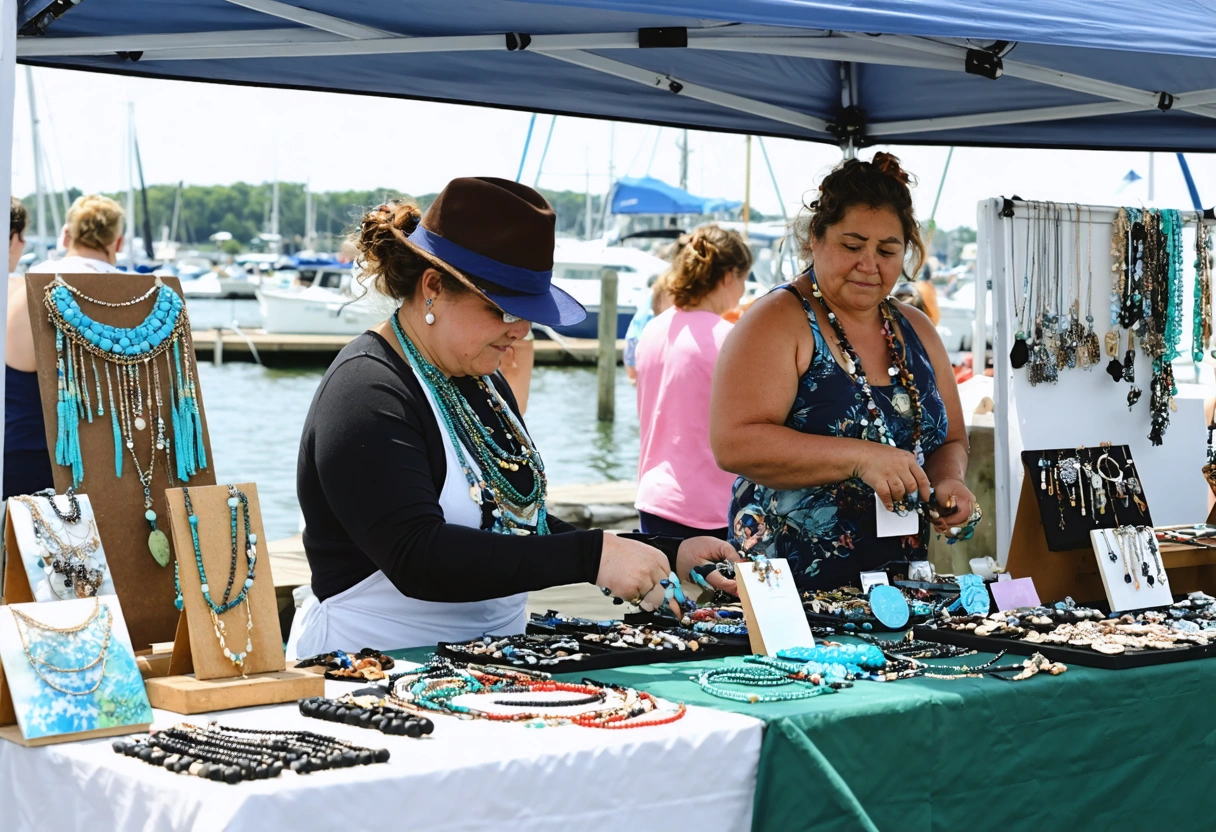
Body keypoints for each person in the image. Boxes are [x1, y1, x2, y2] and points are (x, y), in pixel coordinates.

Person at [289, 177, 738, 655]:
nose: (521, 330)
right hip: (370, 666)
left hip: (488, 660)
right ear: (433, 287)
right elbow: (418, 557)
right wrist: (592, 557)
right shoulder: (365, 390)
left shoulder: (479, 376)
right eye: (503, 310)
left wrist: (668, 551)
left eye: (527, 313)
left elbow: (521, 524)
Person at [711, 154, 977, 590]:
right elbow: (734, 443)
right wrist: (860, 457)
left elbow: (950, 439)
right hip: (788, 587)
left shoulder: (917, 328)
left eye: (887, 251)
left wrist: (949, 482)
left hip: (898, 587)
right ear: (816, 237)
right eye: (853, 247)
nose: (870, 264)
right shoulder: (776, 320)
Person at [634, 224, 751, 539]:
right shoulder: (728, 339)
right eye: (744, 278)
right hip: (709, 508)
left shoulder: (652, 329)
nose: (743, 289)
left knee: (666, 589)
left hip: (654, 496)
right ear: (728, 277)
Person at [4, 194, 125, 498]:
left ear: (66, 235)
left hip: (17, 448)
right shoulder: (132, 294)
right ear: (118, 243)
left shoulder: (27, 285)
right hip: (94, 461)